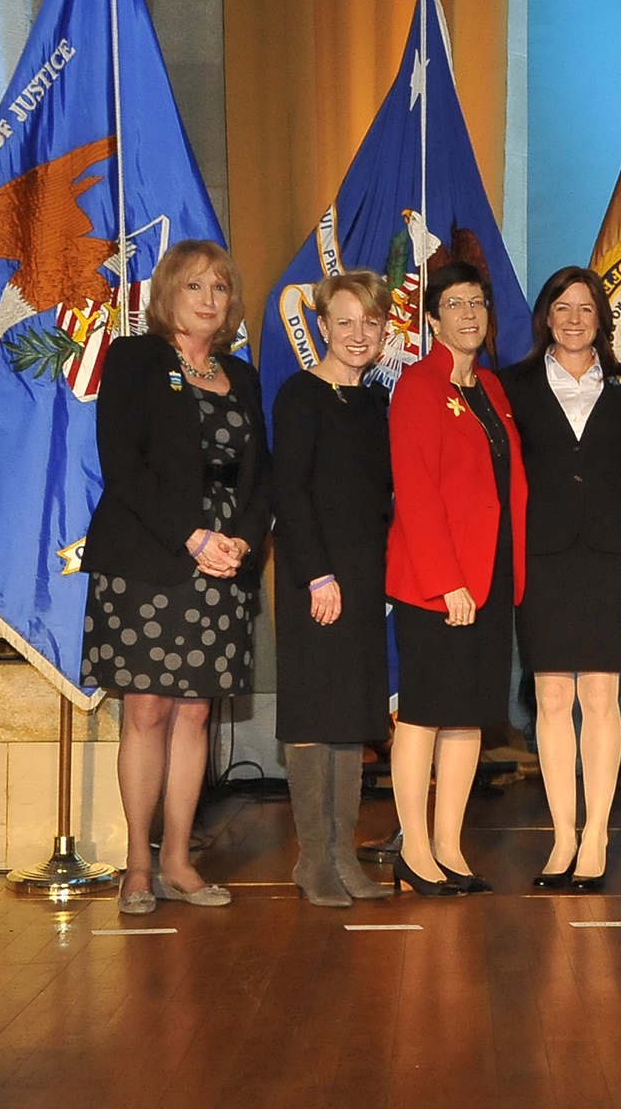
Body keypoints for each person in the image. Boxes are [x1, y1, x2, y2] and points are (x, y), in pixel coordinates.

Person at [81, 239, 270, 912]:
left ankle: (181, 863)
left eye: (220, 289)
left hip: (224, 563)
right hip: (148, 557)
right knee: (148, 709)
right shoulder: (135, 359)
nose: (209, 300)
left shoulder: (241, 377)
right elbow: (122, 464)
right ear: (167, 296)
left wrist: (241, 541)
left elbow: (260, 476)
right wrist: (192, 537)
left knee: (196, 713)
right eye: (195, 287)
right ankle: (138, 864)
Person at [501, 266, 621, 891]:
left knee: (599, 698)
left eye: (585, 308)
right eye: (561, 307)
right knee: (551, 699)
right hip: (541, 556)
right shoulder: (511, 386)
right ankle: (562, 836)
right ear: (545, 317)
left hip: (611, 555)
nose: (572, 319)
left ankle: (596, 838)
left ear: (601, 319)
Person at [386, 261, 528, 896]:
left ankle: (449, 845)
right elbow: (415, 493)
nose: (470, 314)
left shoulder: (493, 390)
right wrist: (448, 582)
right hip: (437, 582)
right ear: (434, 315)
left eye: (478, 302)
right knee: (424, 713)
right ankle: (413, 848)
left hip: (490, 576)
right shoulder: (417, 386)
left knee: (468, 717)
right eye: (456, 303)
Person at [271, 270, 394, 907]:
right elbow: (288, 492)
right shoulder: (299, 395)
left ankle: (344, 855)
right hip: (312, 575)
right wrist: (318, 573)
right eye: (344, 322)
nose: (358, 334)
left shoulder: (374, 402)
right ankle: (312, 859)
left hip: (365, 575)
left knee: (351, 716)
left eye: (370, 323)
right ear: (322, 327)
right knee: (315, 715)